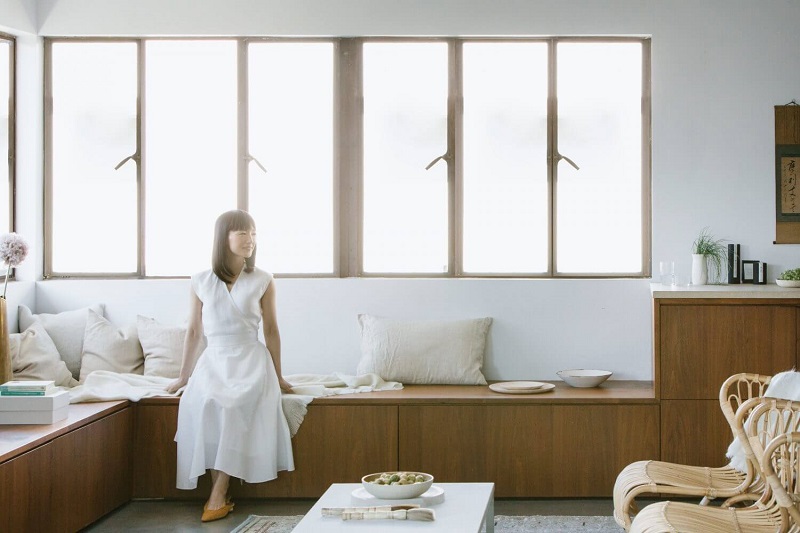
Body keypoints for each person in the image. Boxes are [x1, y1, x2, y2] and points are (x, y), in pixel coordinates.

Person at [166, 209, 294, 523]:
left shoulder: (263, 279)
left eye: (253, 233)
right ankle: (220, 494)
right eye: (242, 232)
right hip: (214, 360)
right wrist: (183, 376)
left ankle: (218, 494)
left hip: (251, 359)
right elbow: (194, 331)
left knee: (234, 405)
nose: (250, 239)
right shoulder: (200, 280)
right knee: (208, 402)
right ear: (224, 237)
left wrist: (278, 376)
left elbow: (271, 330)